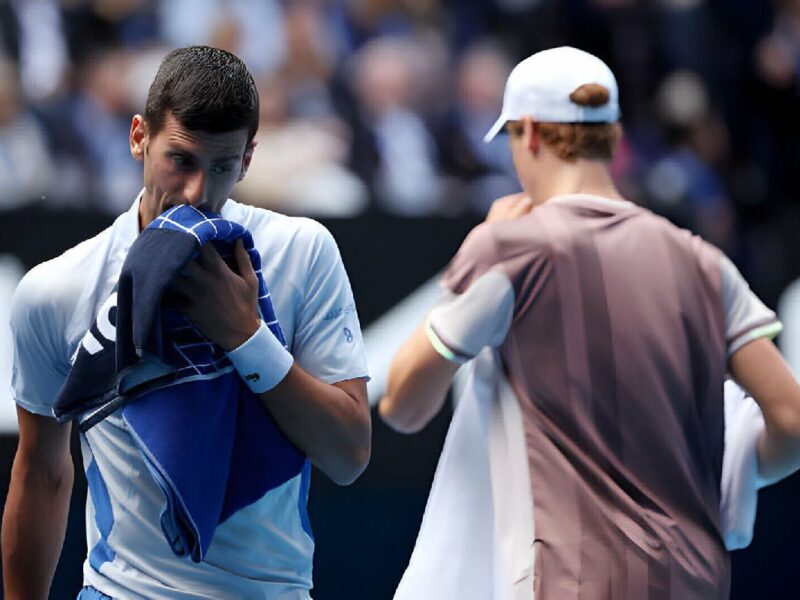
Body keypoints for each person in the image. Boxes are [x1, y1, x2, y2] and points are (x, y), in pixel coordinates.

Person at [380, 46, 800, 598]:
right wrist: (731, 474)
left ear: (528, 134)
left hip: (570, 582)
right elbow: (792, 423)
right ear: (613, 135)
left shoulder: (508, 248)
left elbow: (403, 405)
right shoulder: (705, 263)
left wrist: (466, 267)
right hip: (694, 582)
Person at [2, 46, 371, 599]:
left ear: (248, 159)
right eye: (181, 160)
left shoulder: (303, 251)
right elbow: (41, 474)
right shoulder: (56, 290)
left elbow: (348, 457)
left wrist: (247, 337)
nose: (199, 192)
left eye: (222, 166)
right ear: (138, 138)